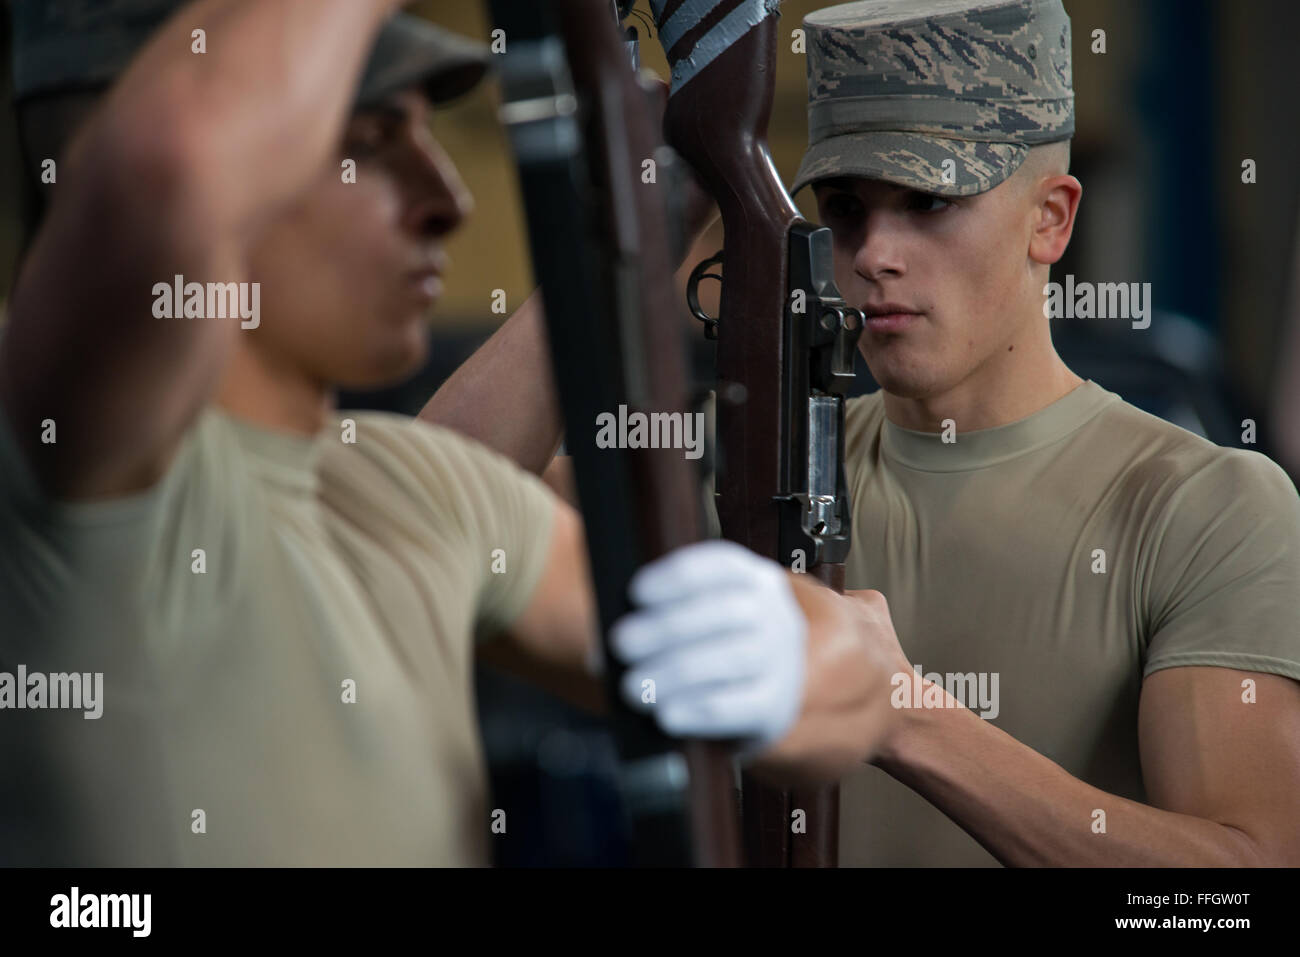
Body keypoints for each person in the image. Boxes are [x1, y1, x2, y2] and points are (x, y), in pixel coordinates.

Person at [0, 0, 902, 865]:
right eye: (363, 144)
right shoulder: (64, 461)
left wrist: (796, 661)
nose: (449, 199)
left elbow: (851, 663)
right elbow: (171, 162)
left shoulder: (403, 486)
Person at [422, 0, 1300, 866]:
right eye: (845, 208)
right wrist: (635, 227)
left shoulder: (1207, 506)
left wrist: (900, 713)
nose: (875, 251)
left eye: (928, 200)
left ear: (1052, 218)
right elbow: (416, 519)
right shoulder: (753, 465)